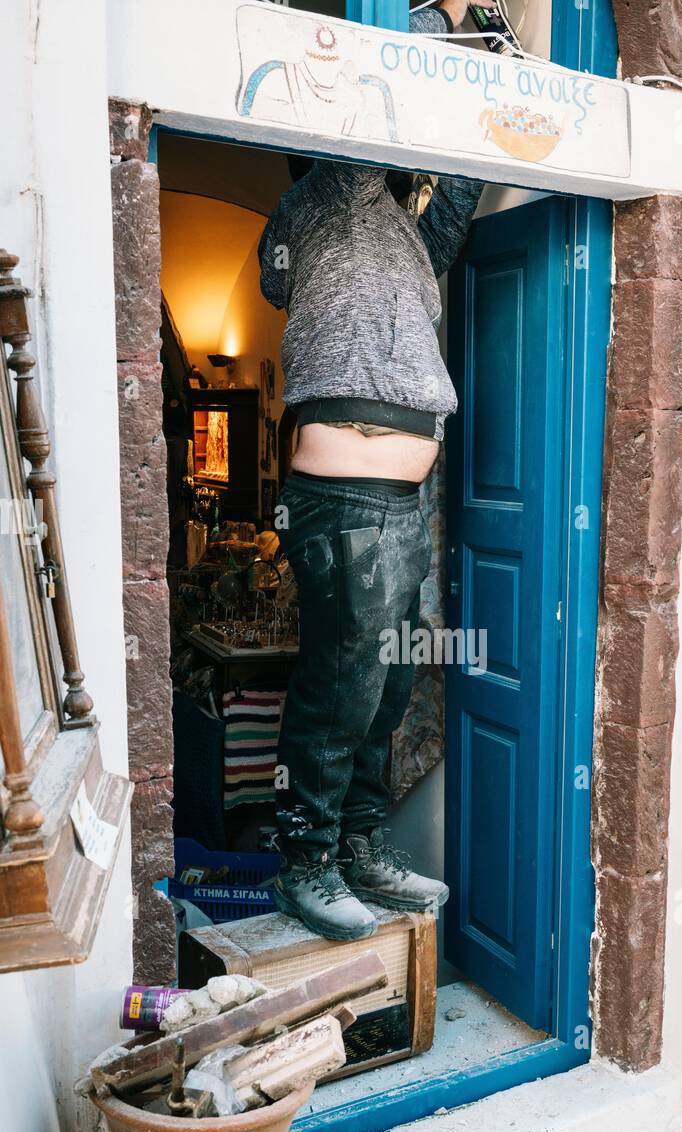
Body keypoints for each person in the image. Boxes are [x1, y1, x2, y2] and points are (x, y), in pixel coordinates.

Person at [259, 0, 486, 940]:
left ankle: (357, 843)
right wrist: (440, 18)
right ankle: (302, 859)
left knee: (394, 679)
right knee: (342, 680)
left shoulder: (406, 230)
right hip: (343, 490)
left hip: (408, 490)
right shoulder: (327, 194)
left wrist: (487, 52)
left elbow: (464, 188)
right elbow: (377, 89)